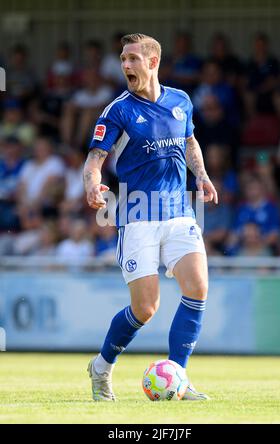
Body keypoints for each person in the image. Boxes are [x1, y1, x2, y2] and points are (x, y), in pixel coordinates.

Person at [83, 33, 218, 402]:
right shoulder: (118, 110)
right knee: (146, 308)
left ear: (152, 62)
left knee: (198, 288)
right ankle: (102, 366)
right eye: (123, 59)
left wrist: (202, 176)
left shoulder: (181, 101)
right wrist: (93, 186)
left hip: (179, 213)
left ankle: (179, 375)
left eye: (132, 59)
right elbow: (95, 159)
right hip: (138, 217)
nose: (125, 65)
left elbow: (190, 142)